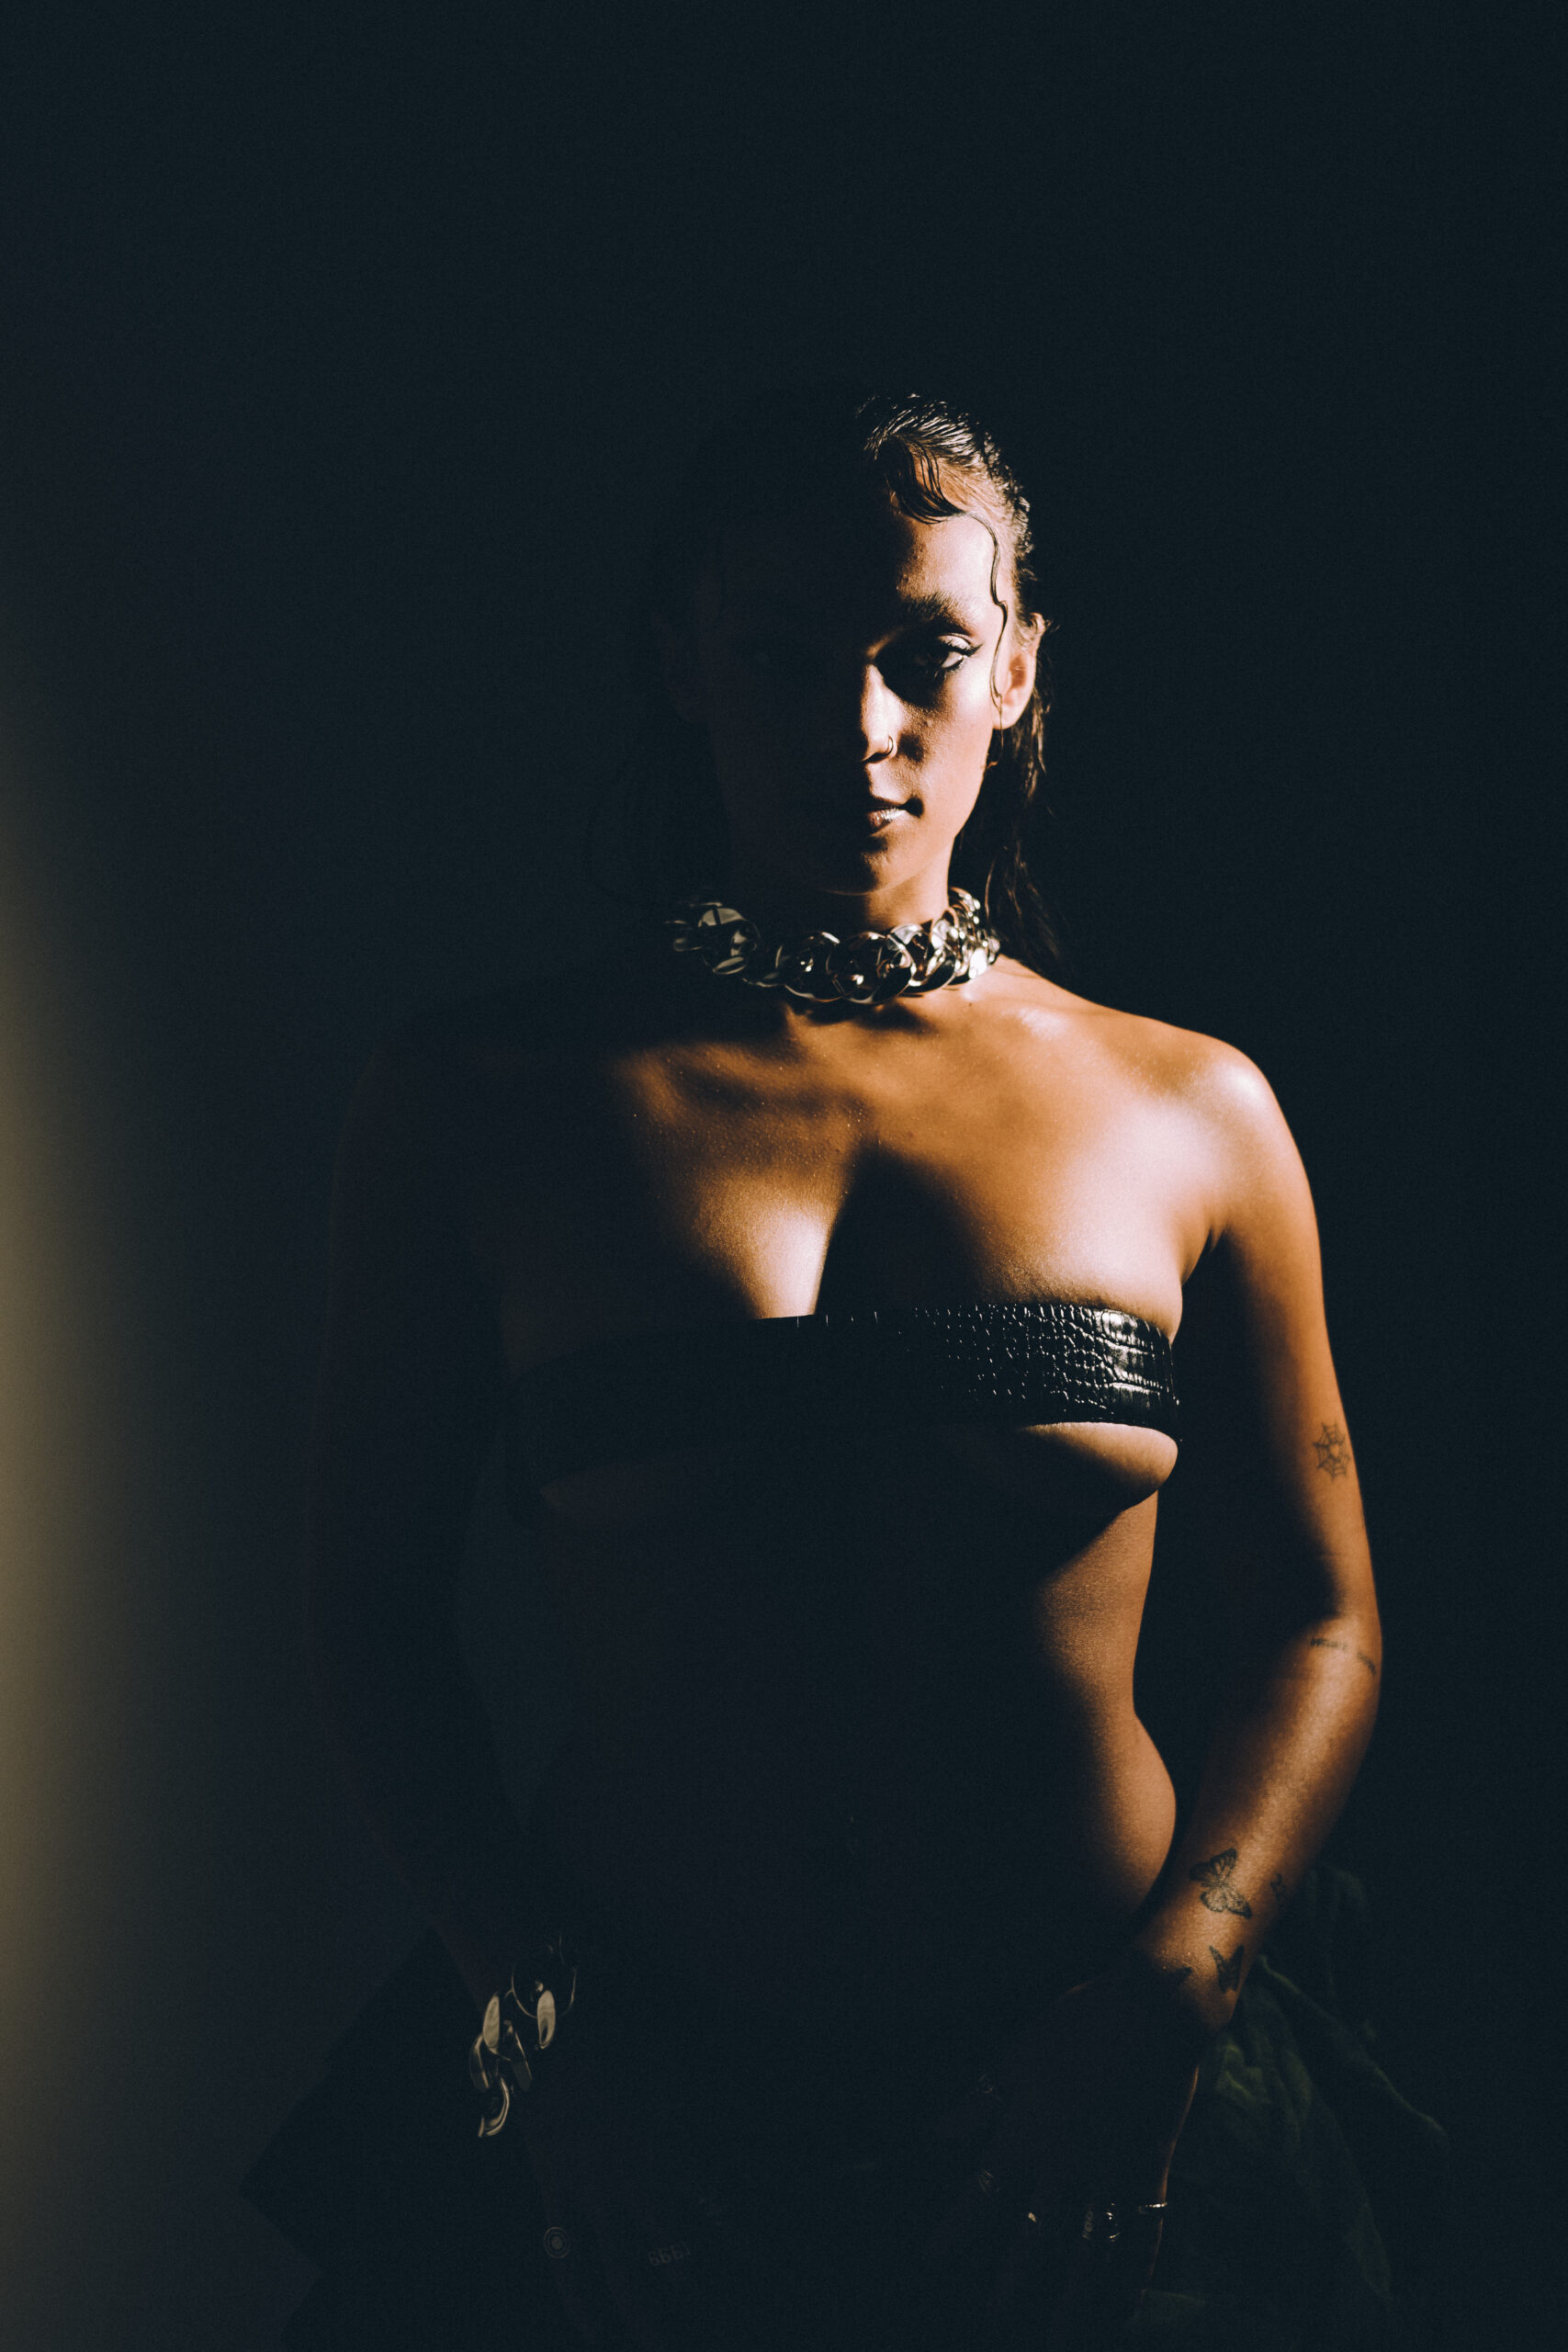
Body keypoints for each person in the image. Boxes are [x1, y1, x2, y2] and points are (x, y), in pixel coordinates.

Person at [248, 387, 1445, 2349]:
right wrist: (542, 2024)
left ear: (1017, 666)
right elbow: (372, 1609)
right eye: (781, 655)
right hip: (641, 2107)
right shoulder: (482, 1102)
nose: (856, 725)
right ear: (683, 664)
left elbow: (1320, 1619)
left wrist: (1171, 1994)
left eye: (922, 652)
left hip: (1095, 2095)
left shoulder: (1191, 1113)